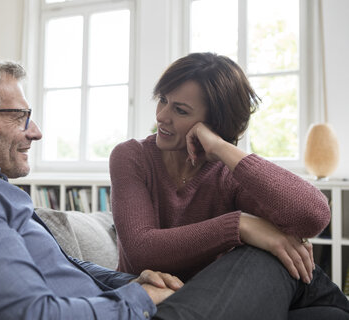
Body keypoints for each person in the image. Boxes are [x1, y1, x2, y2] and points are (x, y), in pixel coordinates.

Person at [0, 55, 347, 320]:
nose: (36, 132)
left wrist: (128, 281)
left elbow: (63, 274)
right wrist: (138, 297)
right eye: (20, 117)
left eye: (180, 109)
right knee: (270, 257)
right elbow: (27, 316)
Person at [110, 52, 349, 319]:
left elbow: (313, 216)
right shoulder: (131, 157)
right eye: (163, 100)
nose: (162, 116)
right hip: (181, 302)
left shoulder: (229, 173)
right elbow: (142, 251)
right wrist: (241, 225)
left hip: (238, 301)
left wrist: (222, 148)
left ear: (214, 124)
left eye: (180, 110)